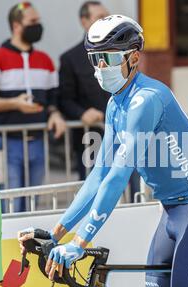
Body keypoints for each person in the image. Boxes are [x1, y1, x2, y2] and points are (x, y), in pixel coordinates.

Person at [19, 15, 188, 287]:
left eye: (107, 58)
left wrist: (80, 242)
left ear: (133, 57)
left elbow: (119, 175)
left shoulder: (146, 99)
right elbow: (99, 175)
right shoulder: (115, 102)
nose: (101, 67)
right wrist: (56, 234)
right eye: (95, 59)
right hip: (171, 211)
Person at [0, 2, 66, 212]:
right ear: (16, 25)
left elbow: (53, 99)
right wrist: (14, 104)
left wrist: (55, 114)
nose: (37, 25)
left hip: (37, 143)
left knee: (33, 202)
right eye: (32, 22)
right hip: (5, 143)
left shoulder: (45, 60)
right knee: (9, 203)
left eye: (38, 21)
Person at [59, 1, 109, 180]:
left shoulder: (120, 53)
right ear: (84, 21)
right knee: (93, 188)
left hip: (122, 133)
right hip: (90, 137)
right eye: (100, 18)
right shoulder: (70, 59)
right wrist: (82, 113)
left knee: (133, 191)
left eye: (107, 17)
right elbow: (64, 99)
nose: (106, 21)